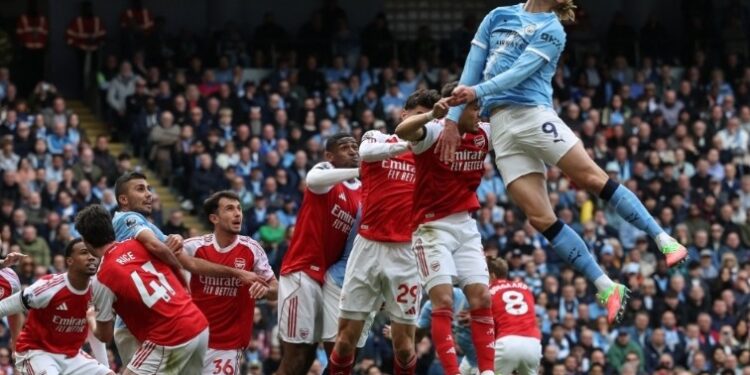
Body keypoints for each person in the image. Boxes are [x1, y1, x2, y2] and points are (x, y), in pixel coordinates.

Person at [443, 0, 688, 324]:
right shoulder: (497, 16)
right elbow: (473, 65)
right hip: (500, 127)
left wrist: (475, 92)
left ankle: (665, 240)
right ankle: (607, 287)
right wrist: (451, 118)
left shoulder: (552, 29)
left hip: (533, 115)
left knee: (591, 178)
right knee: (539, 217)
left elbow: (517, 74)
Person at [329, 89, 438, 375]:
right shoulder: (376, 138)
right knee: (344, 342)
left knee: (404, 347)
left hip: (406, 254)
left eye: (426, 121)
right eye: (417, 117)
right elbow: (365, 153)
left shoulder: (431, 155)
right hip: (367, 248)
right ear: (403, 116)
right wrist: (408, 144)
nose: (421, 126)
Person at [110, 171, 263, 365]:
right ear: (123, 199)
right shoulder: (126, 219)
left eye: (149, 188)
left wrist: (237, 273)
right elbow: (161, 249)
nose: (149, 194)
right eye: (140, 189)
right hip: (135, 321)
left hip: (151, 318)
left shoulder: (146, 225)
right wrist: (180, 275)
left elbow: (190, 262)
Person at [395, 83, 495, 375]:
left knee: (482, 298)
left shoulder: (483, 134)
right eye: (474, 108)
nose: (479, 113)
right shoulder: (436, 132)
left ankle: (487, 372)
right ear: (457, 109)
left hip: (465, 225)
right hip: (431, 228)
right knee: (444, 300)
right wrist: (431, 115)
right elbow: (402, 132)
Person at [76, 205, 207, 375]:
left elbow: (105, 336)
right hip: (198, 324)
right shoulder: (139, 243)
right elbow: (172, 261)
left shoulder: (102, 278)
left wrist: (92, 319)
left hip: (169, 337)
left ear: (86, 242)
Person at [277, 133, 361, 375]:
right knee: (297, 358)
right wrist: (358, 171)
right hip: (302, 271)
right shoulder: (325, 172)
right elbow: (312, 179)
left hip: (330, 279)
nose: (353, 151)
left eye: (355, 147)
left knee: (331, 352)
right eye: (345, 147)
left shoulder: (362, 191)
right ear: (330, 156)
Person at [182, 191, 278, 375]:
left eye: (239, 209)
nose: (238, 213)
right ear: (214, 218)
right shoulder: (195, 246)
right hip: (191, 340)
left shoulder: (252, 248)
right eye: (230, 208)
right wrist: (175, 239)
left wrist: (265, 289)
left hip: (227, 346)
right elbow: (163, 249)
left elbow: (277, 289)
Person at [0, 239, 113, 375]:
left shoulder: (98, 290)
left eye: (93, 254)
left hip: (71, 354)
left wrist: (105, 368)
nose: (91, 258)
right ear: (69, 261)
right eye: (84, 253)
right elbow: (4, 307)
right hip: (36, 352)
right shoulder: (48, 288)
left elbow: (96, 333)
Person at [487, 257, 542, 375]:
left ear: (492, 276)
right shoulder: (525, 287)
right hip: (533, 343)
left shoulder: (488, 291)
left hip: (507, 341)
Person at [415, 287, 478, 375]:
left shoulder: (465, 296)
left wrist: (477, 317)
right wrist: (401, 333)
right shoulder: (429, 307)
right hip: (466, 360)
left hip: (486, 356)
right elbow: (417, 335)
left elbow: (497, 314)